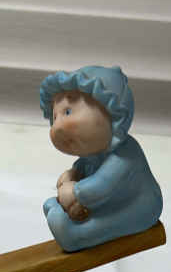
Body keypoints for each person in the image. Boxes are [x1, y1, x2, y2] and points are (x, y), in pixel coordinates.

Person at [40, 65, 163, 252]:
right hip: (111, 202)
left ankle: (75, 237)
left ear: (112, 113)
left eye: (68, 112)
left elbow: (101, 187)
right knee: (75, 210)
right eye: (55, 118)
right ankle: (71, 222)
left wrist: (75, 191)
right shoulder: (95, 153)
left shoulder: (125, 155)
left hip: (138, 206)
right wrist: (74, 173)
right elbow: (86, 165)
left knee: (107, 224)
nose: (57, 127)